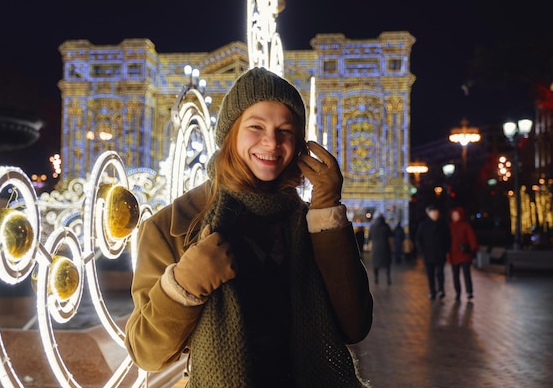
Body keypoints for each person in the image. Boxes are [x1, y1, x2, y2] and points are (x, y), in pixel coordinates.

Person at [124, 67, 373, 387]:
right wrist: (184, 285)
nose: (271, 141)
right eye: (256, 126)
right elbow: (146, 353)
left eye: (286, 130)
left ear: (299, 144)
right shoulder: (172, 226)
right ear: (230, 135)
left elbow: (355, 326)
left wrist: (328, 213)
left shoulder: (313, 225)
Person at [415, 204, 451, 299]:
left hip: (440, 254)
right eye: (433, 212)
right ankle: (432, 291)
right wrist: (422, 251)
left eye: (436, 212)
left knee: (440, 273)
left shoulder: (443, 225)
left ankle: (441, 290)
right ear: (429, 213)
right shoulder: (423, 225)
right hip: (428, 254)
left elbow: (448, 239)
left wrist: (446, 250)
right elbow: (419, 239)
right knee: (430, 274)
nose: (435, 214)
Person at [448, 207, 479, 301]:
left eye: (456, 215)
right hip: (454, 254)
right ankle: (458, 292)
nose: (454, 217)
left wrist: (473, 248)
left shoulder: (465, 226)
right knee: (455, 275)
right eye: (453, 215)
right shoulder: (450, 226)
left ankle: (469, 292)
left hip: (464, 254)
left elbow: (471, 238)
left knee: (466, 274)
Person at [368, 213, 393, 284]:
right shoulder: (386, 226)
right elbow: (391, 235)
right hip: (385, 247)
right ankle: (388, 277)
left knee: (375, 264)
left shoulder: (372, 226)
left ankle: (376, 278)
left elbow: (369, 237)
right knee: (387, 264)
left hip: (375, 248)